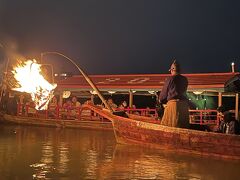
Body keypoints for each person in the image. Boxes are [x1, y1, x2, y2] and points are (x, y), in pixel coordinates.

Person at [159, 60, 190, 128]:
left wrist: (161, 101)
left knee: (171, 125)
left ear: (172, 70)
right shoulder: (185, 79)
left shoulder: (170, 79)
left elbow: (164, 94)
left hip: (174, 105)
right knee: (184, 126)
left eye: (171, 70)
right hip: (184, 105)